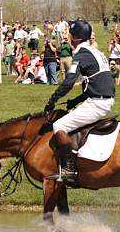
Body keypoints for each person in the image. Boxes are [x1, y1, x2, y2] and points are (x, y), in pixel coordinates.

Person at [44, 20, 115, 184]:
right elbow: (95, 82)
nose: (68, 37)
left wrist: (52, 100)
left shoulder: (81, 54)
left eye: (70, 34)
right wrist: (76, 100)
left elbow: (69, 81)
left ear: (75, 38)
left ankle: (69, 169)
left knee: (58, 126)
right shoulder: (94, 51)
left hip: (98, 102)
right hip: (102, 98)